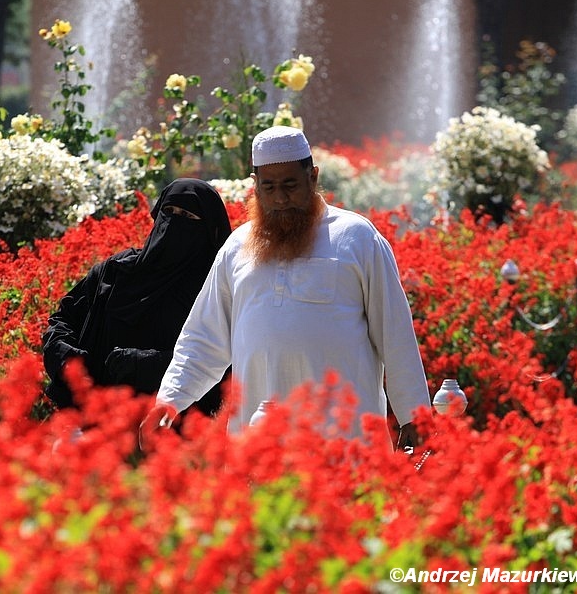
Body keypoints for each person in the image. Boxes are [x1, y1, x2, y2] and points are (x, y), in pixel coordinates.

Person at [140, 126, 431, 449]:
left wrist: (414, 415)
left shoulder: (357, 238)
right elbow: (203, 339)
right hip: (258, 442)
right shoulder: (237, 247)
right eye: (270, 186)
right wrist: (168, 402)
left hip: (344, 440)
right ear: (256, 187)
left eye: (290, 185)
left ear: (313, 177)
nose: (280, 198)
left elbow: (394, 333)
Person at [42, 178, 232, 416]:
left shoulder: (213, 288)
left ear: (209, 230)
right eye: (168, 211)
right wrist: (68, 358)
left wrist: (144, 365)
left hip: (166, 427)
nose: (174, 222)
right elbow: (63, 320)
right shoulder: (116, 271)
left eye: (187, 216)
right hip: (93, 419)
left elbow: (219, 358)